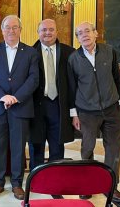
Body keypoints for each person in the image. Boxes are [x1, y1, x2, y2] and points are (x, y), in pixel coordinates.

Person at [67, 21, 120, 204]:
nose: (84, 35)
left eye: (87, 31)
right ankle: (87, 183)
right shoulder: (73, 59)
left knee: (114, 149)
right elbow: (71, 87)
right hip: (87, 111)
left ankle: (111, 185)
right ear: (77, 38)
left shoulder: (109, 51)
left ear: (96, 34)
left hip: (112, 108)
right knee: (88, 148)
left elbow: (117, 76)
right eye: (79, 33)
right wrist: (74, 113)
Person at [0, 15, 38, 200]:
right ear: (2, 30)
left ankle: (16, 183)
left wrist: (16, 97)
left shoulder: (30, 53)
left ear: (20, 30)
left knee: (18, 146)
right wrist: (2, 96)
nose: (11, 31)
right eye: (8, 27)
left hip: (20, 107)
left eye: (15, 27)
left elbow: (33, 79)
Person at [29, 19, 75, 171]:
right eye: (43, 30)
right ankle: (36, 177)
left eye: (51, 29)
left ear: (57, 32)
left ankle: (56, 175)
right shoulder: (29, 53)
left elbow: (74, 84)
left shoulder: (69, 52)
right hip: (37, 105)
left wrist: (74, 111)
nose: (47, 33)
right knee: (36, 143)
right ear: (38, 32)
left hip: (58, 105)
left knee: (57, 143)